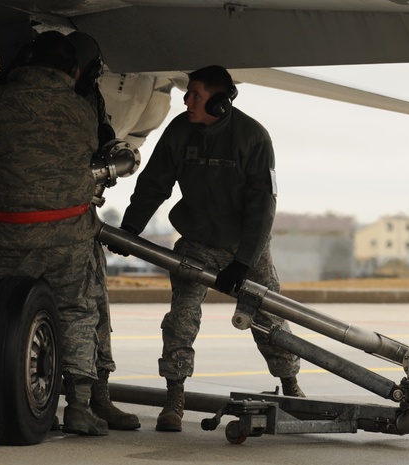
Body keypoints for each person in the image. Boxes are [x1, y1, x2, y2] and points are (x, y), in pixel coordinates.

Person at [119, 65, 303, 433]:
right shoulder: (179, 130)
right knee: (180, 320)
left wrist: (243, 261)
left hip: (245, 247)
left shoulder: (253, 138)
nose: (186, 101)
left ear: (219, 103)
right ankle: (174, 397)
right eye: (188, 94)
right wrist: (131, 228)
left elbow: (262, 207)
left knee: (269, 321)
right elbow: (154, 183)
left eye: (196, 95)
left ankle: (290, 385)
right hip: (197, 243)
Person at [0, 31, 107, 437]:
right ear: (73, 72)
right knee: (76, 311)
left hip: (6, 236)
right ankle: (78, 408)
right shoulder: (82, 112)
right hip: (69, 235)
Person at [66, 31, 141, 431]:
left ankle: (98, 397)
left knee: (94, 309)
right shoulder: (75, 106)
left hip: (22, 224)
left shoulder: (88, 100)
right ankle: (82, 403)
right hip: (67, 227)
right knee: (86, 308)